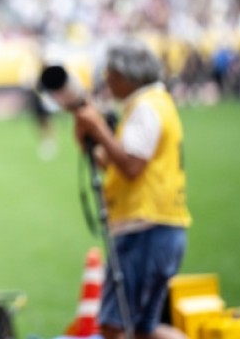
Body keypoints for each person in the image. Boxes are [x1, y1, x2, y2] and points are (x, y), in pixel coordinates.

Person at [72, 39, 191, 339]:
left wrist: (99, 129)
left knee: (115, 325)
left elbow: (131, 166)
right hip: (161, 225)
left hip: (144, 227)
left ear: (127, 75)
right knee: (142, 329)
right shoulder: (155, 104)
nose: (107, 81)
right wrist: (89, 131)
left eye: (110, 74)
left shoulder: (146, 108)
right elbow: (105, 160)